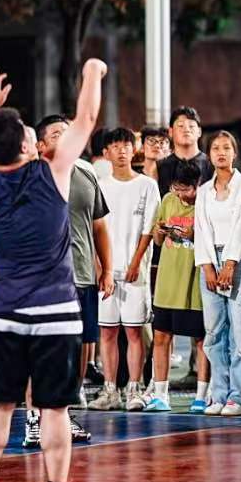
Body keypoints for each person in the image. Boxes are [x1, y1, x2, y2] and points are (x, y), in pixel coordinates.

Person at [0, 62, 105, 482]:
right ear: (27, 146)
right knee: (55, 409)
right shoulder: (53, 173)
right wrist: (91, 72)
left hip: (1, 313)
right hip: (55, 312)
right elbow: (86, 118)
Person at [33, 114, 110, 443]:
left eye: (67, 132)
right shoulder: (31, 178)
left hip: (82, 274)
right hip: (45, 279)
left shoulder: (86, 172)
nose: (64, 137)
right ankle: (36, 417)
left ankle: (67, 405)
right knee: (45, 347)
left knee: (81, 344)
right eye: (55, 134)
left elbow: (99, 225)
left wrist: (107, 268)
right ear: (40, 145)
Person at [89, 128, 160, 413]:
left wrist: (135, 262)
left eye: (126, 146)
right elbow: (93, 228)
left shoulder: (147, 185)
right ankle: (110, 390)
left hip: (135, 272)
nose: (121, 151)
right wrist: (100, 266)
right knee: (107, 332)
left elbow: (148, 229)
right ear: (105, 153)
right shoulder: (99, 185)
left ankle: (134, 387)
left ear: (134, 150)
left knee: (134, 332)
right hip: (106, 273)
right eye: (115, 146)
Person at [193, 131, 241, 416]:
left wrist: (230, 264)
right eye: (215, 148)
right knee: (213, 331)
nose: (221, 152)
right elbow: (200, 229)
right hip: (210, 260)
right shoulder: (204, 191)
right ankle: (219, 393)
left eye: (226, 147)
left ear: (235, 152)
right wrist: (208, 266)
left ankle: (239, 396)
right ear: (209, 155)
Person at [145, 160, 207, 411]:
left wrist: (193, 235)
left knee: (201, 340)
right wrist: (160, 231)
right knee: (161, 336)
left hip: (194, 281)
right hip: (167, 281)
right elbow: (157, 240)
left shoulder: (205, 203)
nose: (181, 194)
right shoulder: (168, 200)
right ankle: (160, 395)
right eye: (176, 188)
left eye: (186, 189)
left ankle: (202, 396)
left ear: (197, 185)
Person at [157, 107, 213, 194]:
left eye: (191, 126)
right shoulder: (160, 167)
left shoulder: (211, 165)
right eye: (180, 126)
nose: (186, 130)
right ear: (170, 132)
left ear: (199, 131)